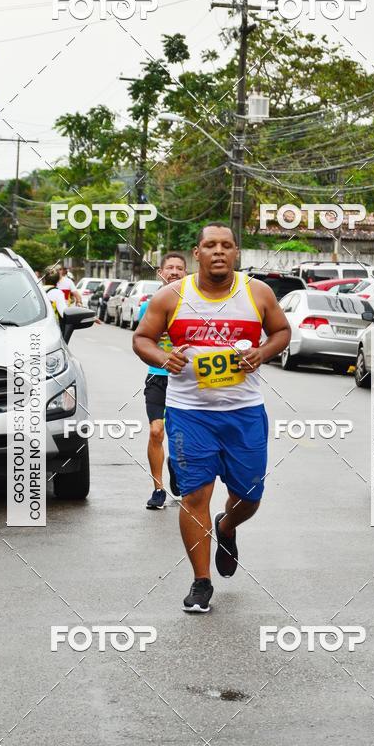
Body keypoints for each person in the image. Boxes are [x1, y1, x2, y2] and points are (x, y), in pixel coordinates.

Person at [133, 223, 291, 613]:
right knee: (194, 494)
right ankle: (201, 582)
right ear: (197, 253)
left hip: (244, 414)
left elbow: (282, 331)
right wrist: (162, 357)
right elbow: (142, 338)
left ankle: (226, 527)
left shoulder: (257, 293)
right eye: (210, 245)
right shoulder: (172, 296)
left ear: (236, 252)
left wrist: (263, 352)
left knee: (250, 497)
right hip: (190, 414)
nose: (218, 251)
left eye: (226, 245)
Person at [138, 252, 187, 510]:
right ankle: (158, 489)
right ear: (160, 272)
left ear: (186, 273)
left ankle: (176, 467)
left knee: (179, 436)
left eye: (180, 268)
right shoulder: (150, 305)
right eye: (170, 268)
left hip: (186, 381)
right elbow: (144, 340)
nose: (175, 272)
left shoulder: (194, 304)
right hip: (158, 377)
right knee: (156, 431)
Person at [43, 271, 67, 335]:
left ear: (44, 279)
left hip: (36, 328)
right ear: (58, 280)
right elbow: (64, 314)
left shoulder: (36, 290)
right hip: (52, 330)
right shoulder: (57, 293)